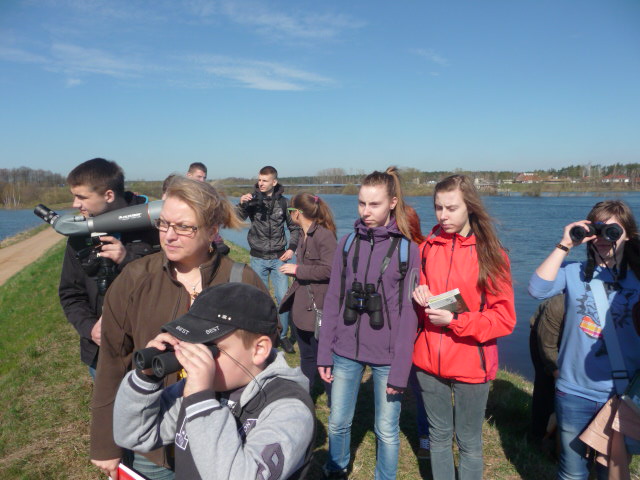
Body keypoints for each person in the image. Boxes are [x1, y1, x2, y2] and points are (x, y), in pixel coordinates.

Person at [90, 176, 267, 480]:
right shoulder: (135, 278)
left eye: (184, 227)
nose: (169, 236)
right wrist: (105, 442)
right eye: (164, 224)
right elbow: (113, 361)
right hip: (153, 444)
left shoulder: (242, 281)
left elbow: (262, 363)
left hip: (221, 440)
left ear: (212, 230)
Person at [113, 283, 316, 480]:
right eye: (190, 343)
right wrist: (146, 378)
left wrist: (201, 402)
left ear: (259, 349)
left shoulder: (289, 410)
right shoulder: (202, 388)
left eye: (210, 349)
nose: (195, 357)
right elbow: (134, 435)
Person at [317, 167, 420, 480]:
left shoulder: (407, 250)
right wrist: (324, 353)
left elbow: (409, 313)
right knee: (337, 421)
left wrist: (400, 369)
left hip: (387, 356)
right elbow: (333, 299)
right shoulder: (347, 243)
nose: (366, 211)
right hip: (345, 350)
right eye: (362, 203)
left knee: (386, 429)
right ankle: (336, 468)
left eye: (374, 204)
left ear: (392, 203)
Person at [412, 174, 516, 480]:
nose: (443, 216)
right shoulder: (427, 247)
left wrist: (456, 321)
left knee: (469, 442)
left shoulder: (491, 253)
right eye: (438, 208)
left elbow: (504, 318)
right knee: (438, 437)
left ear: (470, 206)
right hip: (428, 361)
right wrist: (418, 292)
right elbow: (419, 298)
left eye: (451, 208)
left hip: (472, 363)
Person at [529, 200, 640, 480]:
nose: (603, 238)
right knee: (571, 472)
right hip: (574, 392)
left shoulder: (638, 280)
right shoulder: (574, 272)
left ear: (628, 235)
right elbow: (537, 288)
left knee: (609, 472)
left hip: (621, 395)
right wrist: (566, 243)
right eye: (597, 229)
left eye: (613, 231)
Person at [58, 158, 159, 378]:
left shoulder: (155, 226)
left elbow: (172, 284)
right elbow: (70, 293)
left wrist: (127, 259)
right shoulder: (80, 234)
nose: (75, 204)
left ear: (109, 195)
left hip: (150, 348)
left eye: (82, 197)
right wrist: (89, 328)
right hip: (101, 353)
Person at [237, 166, 301, 354]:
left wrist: (292, 248)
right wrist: (241, 204)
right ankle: (264, 336)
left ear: (274, 182)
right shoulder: (252, 200)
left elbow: (295, 228)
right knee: (261, 300)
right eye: (259, 180)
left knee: (282, 298)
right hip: (258, 258)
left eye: (265, 180)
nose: (261, 183)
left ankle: (282, 336)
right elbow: (236, 219)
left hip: (279, 258)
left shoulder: (284, 203)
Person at [278, 193, 337, 395]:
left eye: (290, 211)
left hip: (318, 307)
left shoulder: (324, 235)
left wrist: (297, 270)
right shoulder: (303, 235)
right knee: (307, 356)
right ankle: (306, 396)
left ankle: (334, 400)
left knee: (325, 359)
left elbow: (331, 269)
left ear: (297, 213)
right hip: (303, 308)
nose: (289, 215)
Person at [529, 294, 565, 448]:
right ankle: (539, 437)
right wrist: (556, 372)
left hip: (578, 337)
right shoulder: (558, 305)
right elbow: (547, 346)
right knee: (546, 385)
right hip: (543, 334)